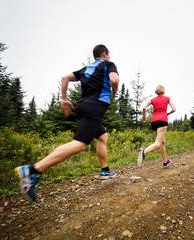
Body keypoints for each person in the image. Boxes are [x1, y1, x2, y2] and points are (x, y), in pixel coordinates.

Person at [14, 44, 119, 201]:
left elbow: (65, 78)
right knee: (80, 144)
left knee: (102, 136)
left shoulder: (85, 69)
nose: (109, 57)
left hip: (83, 106)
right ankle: (33, 170)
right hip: (95, 107)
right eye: (108, 55)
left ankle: (105, 170)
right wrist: (114, 93)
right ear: (104, 54)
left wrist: (64, 99)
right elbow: (114, 79)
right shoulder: (109, 64)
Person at [137, 85, 176, 167]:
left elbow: (144, 108)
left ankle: (165, 162)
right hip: (162, 121)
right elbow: (174, 109)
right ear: (163, 92)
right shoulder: (167, 98)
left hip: (154, 122)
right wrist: (167, 113)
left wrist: (144, 117)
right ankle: (144, 152)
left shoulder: (152, 100)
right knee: (158, 143)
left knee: (162, 141)